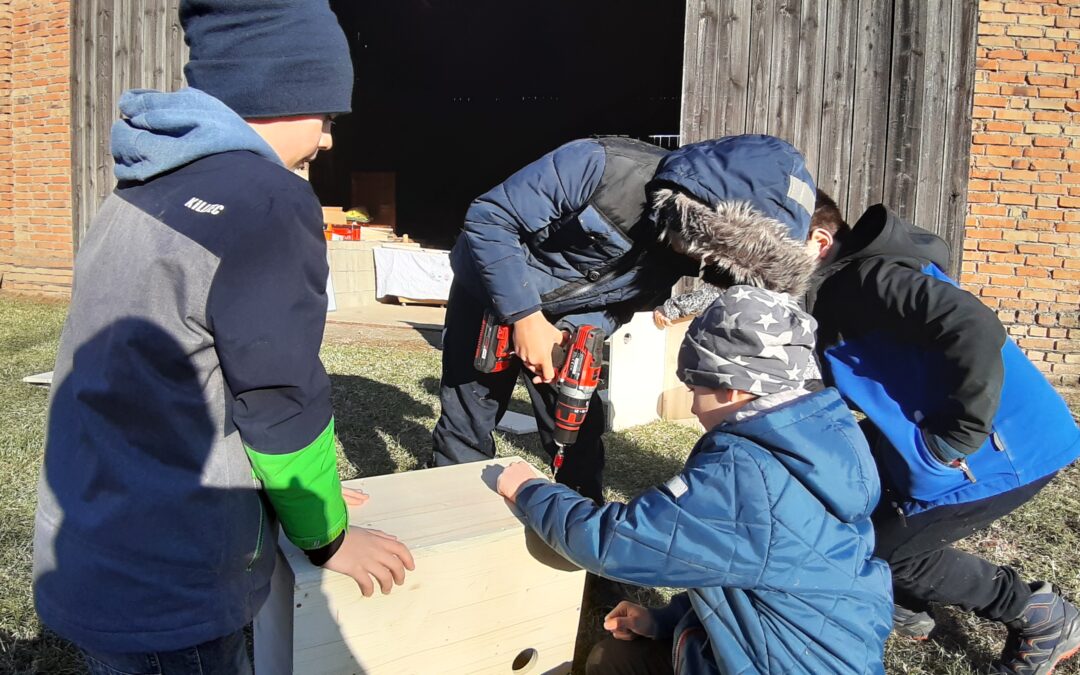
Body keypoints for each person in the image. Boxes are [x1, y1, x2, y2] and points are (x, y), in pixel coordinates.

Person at [32, 2, 414, 672]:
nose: (327, 140)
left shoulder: (141, 181)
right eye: (325, 115)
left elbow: (183, 377)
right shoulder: (267, 202)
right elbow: (280, 404)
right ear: (279, 89)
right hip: (171, 588)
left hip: (96, 548)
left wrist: (290, 501)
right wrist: (325, 535)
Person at [497, 285, 893, 675]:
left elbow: (614, 541)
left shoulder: (746, 476)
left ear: (734, 387)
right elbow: (762, 574)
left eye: (695, 389)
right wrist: (665, 621)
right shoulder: (823, 440)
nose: (691, 405)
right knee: (612, 660)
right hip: (806, 652)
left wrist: (530, 491)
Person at [433, 134, 820, 501]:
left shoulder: (695, 249)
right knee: (470, 412)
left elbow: (624, 303)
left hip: (569, 320)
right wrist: (526, 317)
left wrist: (575, 336)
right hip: (491, 289)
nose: (699, 260)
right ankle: (457, 520)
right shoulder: (600, 165)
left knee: (578, 428)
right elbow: (489, 218)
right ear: (699, 207)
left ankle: (578, 527)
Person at [805, 193, 1080, 675]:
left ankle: (1042, 616)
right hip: (955, 434)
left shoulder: (865, 278)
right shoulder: (846, 282)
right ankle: (904, 603)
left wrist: (960, 434)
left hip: (1005, 449)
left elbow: (971, 326)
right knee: (839, 489)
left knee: (880, 551)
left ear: (817, 241)